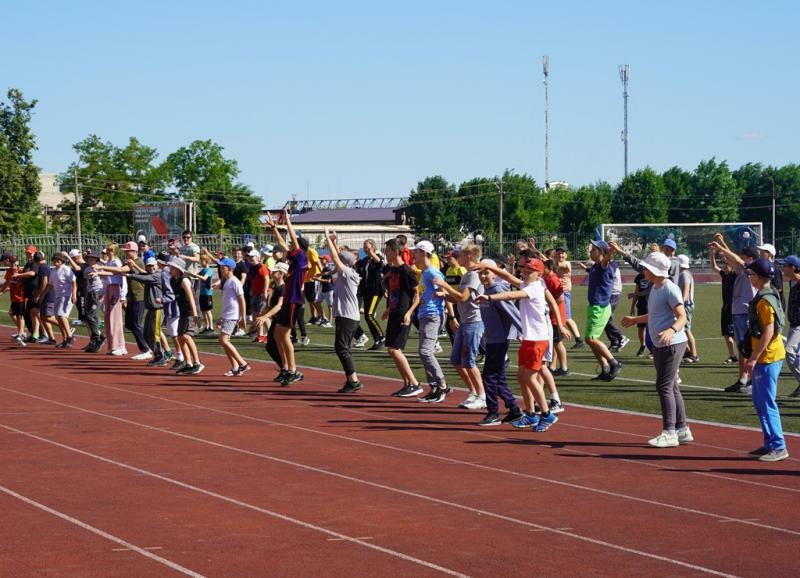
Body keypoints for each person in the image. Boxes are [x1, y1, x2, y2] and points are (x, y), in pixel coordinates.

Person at [474, 257, 570, 432]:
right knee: (521, 377)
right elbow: (509, 278)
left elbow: (511, 294)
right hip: (528, 338)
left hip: (537, 339)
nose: (524, 274)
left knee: (530, 377)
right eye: (524, 271)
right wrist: (488, 266)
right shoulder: (530, 283)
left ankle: (547, 414)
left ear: (539, 274)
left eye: (529, 271)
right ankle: (531, 415)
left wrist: (489, 297)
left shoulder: (534, 288)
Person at [622, 252, 692, 448]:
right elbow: (654, 314)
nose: (643, 270)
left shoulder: (670, 289)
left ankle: (669, 432)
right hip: (661, 344)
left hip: (672, 344)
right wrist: (635, 320)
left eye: (646, 268)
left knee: (664, 386)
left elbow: (682, 317)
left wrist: (671, 330)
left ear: (654, 271)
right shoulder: (656, 288)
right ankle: (682, 429)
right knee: (671, 386)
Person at [743, 257, 788, 462]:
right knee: (759, 401)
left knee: (767, 402)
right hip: (765, 356)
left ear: (759, 278)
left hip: (768, 357)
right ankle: (769, 442)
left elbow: (769, 331)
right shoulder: (766, 295)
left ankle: (779, 446)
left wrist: (754, 357)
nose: (749, 277)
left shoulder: (765, 301)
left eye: (751, 274)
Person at [434, 242, 486, 410]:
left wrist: (444, 286)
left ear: (469, 257)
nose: (457, 258)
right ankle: (473, 392)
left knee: (469, 361)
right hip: (465, 321)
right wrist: (443, 295)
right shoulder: (468, 274)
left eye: (460, 255)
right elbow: (458, 298)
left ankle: (482, 395)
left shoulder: (473, 275)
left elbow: (463, 297)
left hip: (473, 321)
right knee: (456, 360)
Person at [474, 259, 523, 426]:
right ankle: (514, 409)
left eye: (486, 272)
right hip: (492, 339)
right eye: (480, 273)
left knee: (489, 377)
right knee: (499, 378)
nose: (483, 276)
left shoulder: (496, 290)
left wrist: (522, 332)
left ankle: (493, 412)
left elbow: (512, 312)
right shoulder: (485, 290)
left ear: (494, 273)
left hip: (500, 340)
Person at [710, 235, 758, 393]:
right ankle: (742, 379)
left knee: (749, 348)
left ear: (749, 258)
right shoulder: (742, 269)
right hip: (738, 312)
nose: (740, 257)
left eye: (744, 255)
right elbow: (734, 259)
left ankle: (752, 381)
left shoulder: (752, 268)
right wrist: (722, 246)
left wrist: (720, 246)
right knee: (742, 348)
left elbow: (736, 260)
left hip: (746, 312)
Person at [265, 210, 307, 386]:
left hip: (293, 301)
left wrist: (288, 221)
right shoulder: (293, 260)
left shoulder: (302, 259)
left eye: (294, 246)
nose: (290, 247)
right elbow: (283, 244)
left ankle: (293, 370)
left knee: (283, 335)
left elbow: (292, 239)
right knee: (276, 334)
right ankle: (286, 368)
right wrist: (275, 228)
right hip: (289, 300)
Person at [322, 227, 363, 393]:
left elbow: (336, 258)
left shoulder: (349, 273)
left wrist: (327, 238)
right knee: (343, 348)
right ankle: (351, 380)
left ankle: (354, 380)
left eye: (339, 261)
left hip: (348, 316)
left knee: (341, 348)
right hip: (344, 316)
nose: (335, 263)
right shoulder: (344, 273)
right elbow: (338, 258)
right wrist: (333, 241)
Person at [382, 238, 422, 397]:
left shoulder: (407, 271)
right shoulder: (393, 271)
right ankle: (406, 384)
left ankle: (415, 383)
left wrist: (409, 313)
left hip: (403, 314)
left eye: (388, 251)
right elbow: (395, 294)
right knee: (391, 350)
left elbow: (417, 296)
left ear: (396, 252)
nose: (385, 254)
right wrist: (387, 308)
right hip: (394, 312)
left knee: (394, 349)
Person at [413, 240, 451, 403]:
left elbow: (444, 289)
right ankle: (434, 387)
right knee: (423, 352)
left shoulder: (431, 272)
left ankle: (442, 385)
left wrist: (442, 295)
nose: (413, 255)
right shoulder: (424, 273)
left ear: (423, 253)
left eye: (415, 252)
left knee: (425, 351)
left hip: (433, 314)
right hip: (425, 314)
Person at [586, 240, 623, 381]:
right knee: (590, 340)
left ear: (601, 252)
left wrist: (611, 251)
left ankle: (614, 363)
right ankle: (605, 368)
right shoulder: (595, 265)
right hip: (595, 307)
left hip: (599, 307)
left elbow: (606, 261)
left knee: (591, 339)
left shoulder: (604, 265)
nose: (590, 252)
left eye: (593, 249)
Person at [125, 257, 166, 364]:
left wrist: (130, 274)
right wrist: (133, 269)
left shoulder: (158, 275)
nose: (151, 267)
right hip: (151, 309)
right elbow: (143, 274)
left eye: (153, 265)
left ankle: (161, 356)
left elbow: (144, 278)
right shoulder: (150, 274)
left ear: (156, 265)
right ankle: (157, 354)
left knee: (155, 334)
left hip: (158, 309)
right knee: (147, 333)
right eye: (148, 266)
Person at [168, 258, 204, 375]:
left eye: (173, 267)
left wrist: (195, 315)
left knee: (186, 336)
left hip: (190, 310)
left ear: (179, 269)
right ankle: (188, 363)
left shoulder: (184, 280)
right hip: (183, 311)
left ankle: (197, 363)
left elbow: (191, 298)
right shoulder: (173, 280)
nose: (170, 269)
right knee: (180, 337)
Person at [216, 257, 250, 377]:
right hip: (227, 315)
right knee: (225, 341)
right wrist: (221, 316)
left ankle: (243, 364)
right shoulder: (227, 281)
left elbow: (242, 300)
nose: (220, 270)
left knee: (223, 340)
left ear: (229, 269)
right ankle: (235, 367)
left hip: (232, 315)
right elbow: (227, 301)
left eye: (222, 267)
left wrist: (243, 317)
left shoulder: (235, 281)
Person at [91, 244, 126, 355]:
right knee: (108, 318)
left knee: (115, 318)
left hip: (115, 288)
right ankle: (113, 345)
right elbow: (110, 273)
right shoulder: (110, 262)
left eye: (110, 250)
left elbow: (120, 274)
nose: (107, 252)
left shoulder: (116, 262)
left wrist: (123, 295)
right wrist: (99, 272)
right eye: (107, 250)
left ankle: (120, 346)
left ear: (115, 251)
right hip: (109, 288)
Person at [40, 253, 77, 348]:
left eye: (58, 261)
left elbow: (73, 282)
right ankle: (65, 339)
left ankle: (70, 336)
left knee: (61, 315)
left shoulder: (66, 269)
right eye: (55, 261)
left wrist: (74, 295)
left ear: (62, 262)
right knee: (58, 319)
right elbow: (50, 284)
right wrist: (43, 294)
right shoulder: (53, 271)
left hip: (66, 295)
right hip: (58, 296)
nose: (56, 263)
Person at [710, 246, 738, 364]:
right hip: (725, 308)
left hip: (734, 308)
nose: (725, 267)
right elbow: (714, 266)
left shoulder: (735, 275)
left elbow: (734, 261)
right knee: (726, 334)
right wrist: (712, 254)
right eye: (724, 265)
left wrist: (724, 252)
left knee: (736, 334)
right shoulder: (724, 275)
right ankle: (732, 355)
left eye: (727, 265)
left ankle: (745, 353)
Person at [357, 239, 387, 351]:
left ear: (373, 247)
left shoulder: (377, 257)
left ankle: (382, 338)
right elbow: (356, 266)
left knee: (369, 315)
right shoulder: (365, 260)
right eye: (364, 248)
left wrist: (372, 253)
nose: (366, 250)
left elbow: (380, 263)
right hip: (367, 291)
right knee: (367, 316)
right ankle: (377, 340)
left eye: (368, 247)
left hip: (376, 292)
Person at [542, 259, 570, 376]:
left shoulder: (553, 279)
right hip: (552, 316)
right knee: (555, 342)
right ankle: (554, 366)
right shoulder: (547, 279)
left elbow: (560, 299)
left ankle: (564, 368)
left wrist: (549, 307)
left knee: (558, 343)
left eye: (544, 268)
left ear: (549, 268)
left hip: (555, 317)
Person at [554, 247, 584, 349]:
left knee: (567, 317)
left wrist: (545, 259)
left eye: (563, 253)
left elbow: (555, 264)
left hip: (564, 293)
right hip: (557, 293)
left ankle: (579, 339)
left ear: (566, 255)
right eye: (558, 253)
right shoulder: (555, 262)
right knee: (559, 316)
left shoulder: (566, 263)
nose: (560, 255)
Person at [780, 256, 800, 398]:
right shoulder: (792, 282)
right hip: (794, 324)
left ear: (793, 267)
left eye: (785, 265)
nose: (783, 268)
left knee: (790, 353)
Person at [79, 250, 105, 353]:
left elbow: (105, 279)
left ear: (96, 260)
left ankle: (97, 337)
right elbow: (87, 284)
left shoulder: (100, 268)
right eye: (89, 258)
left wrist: (102, 295)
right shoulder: (87, 270)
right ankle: (99, 337)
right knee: (91, 316)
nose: (91, 260)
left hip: (97, 293)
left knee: (90, 315)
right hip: (90, 293)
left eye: (93, 258)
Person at [676, 255, 699, 363]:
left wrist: (681, 303)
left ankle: (694, 354)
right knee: (681, 329)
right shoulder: (684, 274)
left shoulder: (684, 275)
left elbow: (686, 290)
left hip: (685, 305)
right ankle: (688, 351)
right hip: (684, 305)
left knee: (686, 329)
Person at [0, 256, 27, 346]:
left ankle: (21, 333)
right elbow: (6, 283)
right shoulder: (9, 272)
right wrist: (1, 291)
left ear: (18, 263)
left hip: (21, 297)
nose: (13, 265)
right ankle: (21, 331)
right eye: (11, 263)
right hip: (14, 297)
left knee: (20, 316)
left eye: (14, 263)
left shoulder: (22, 271)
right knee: (12, 313)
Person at [628, 268, 651, 357]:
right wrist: (632, 307)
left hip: (650, 305)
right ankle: (642, 345)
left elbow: (648, 291)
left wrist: (635, 294)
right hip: (641, 305)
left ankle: (653, 349)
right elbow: (637, 291)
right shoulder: (639, 277)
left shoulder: (652, 276)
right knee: (641, 327)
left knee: (651, 328)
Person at [756, 243, 784, 309]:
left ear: (770, 254)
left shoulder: (774, 268)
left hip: (774, 304)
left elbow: (778, 288)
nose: (760, 254)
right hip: (765, 301)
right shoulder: (764, 267)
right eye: (760, 252)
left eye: (763, 252)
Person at [303, 240, 323, 325]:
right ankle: (314, 317)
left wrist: (321, 275)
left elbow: (317, 262)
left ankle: (322, 318)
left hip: (314, 278)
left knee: (314, 299)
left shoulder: (311, 251)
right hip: (307, 279)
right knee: (310, 300)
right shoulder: (304, 252)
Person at [195, 255, 215, 334]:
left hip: (207, 294)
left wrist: (196, 275)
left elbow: (204, 278)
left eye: (202, 260)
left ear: (206, 261)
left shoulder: (208, 270)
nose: (200, 262)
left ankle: (211, 327)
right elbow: (196, 275)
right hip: (202, 294)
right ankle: (206, 327)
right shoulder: (203, 270)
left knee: (208, 311)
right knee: (203, 310)